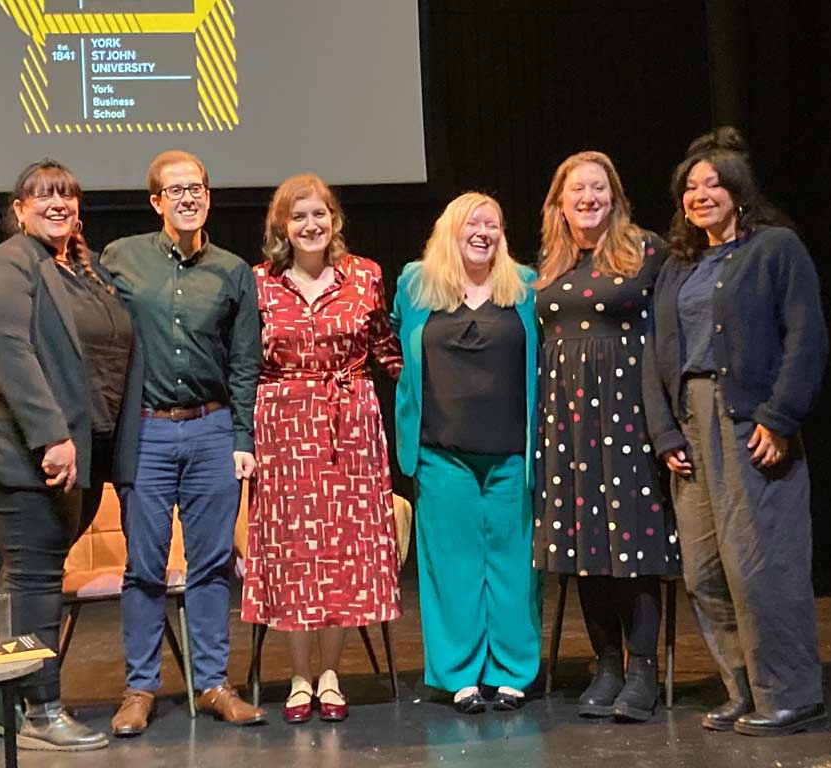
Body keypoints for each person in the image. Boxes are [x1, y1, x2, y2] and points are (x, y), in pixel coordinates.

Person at [642, 126, 828, 736]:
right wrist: (666, 432)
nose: (700, 195)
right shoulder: (679, 265)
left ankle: (791, 694)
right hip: (691, 426)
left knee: (761, 566)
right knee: (703, 570)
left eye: (712, 184)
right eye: (690, 188)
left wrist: (780, 416)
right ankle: (743, 688)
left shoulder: (775, 249)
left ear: (739, 192)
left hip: (749, 420)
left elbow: (805, 338)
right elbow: (656, 352)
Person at [0, 159, 141, 751]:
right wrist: (51, 435)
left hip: (80, 453)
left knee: (27, 577)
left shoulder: (78, 270)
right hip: (27, 452)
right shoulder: (9, 262)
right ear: (18, 209)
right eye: (42, 195)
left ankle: (3, 701)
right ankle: (39, 711)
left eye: (67, 194)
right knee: (37, 578)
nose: (56, 202)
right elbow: (10, 349)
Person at [101, 150, 266, 735]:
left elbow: (246, 363)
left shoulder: (233, 271)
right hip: (144, 430)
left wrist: (242, 435)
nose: (188, 197)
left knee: (212, 565)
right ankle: (140, 690)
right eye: (176, 190)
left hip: (211, 429)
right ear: (156, 201)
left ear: (209, 195)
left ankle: (214, 685)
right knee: (144, 565)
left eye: (196, 187)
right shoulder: (120, 259)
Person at [241, 173, 404, 724]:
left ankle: (331, 673)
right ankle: (298, 675)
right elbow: (243, 363)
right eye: (299, 216)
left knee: (342, 550)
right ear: (282, 227)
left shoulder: (365, 277)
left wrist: (433, 398)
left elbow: (387, 347)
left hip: (351, 423)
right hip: (283, 427)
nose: (311, 225)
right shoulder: (260, 283)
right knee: (293, 552)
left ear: (334, 219)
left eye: (320, 214)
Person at [532, 151, 681, 722]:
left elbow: (667, 337)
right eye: (577, 190)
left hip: (628, 415)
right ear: (560, 202)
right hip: (566, 420)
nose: (588, 198)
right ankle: (607, 666)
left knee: (634, 543)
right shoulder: (551, 260)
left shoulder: (646, 251)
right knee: (583, 543)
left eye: (598, 188)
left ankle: (641, 669)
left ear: (614, 197)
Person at [391, 191, 542, 713]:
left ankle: (512, 672)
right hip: (440, 451)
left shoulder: (524, 286)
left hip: (511, 453)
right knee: (451, 565)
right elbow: (396, 345)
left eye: (493, 224)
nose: (484, 232)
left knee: (514, 564)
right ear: (449, 229)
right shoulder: (415, 283)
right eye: (473, 223)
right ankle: (459, 675)